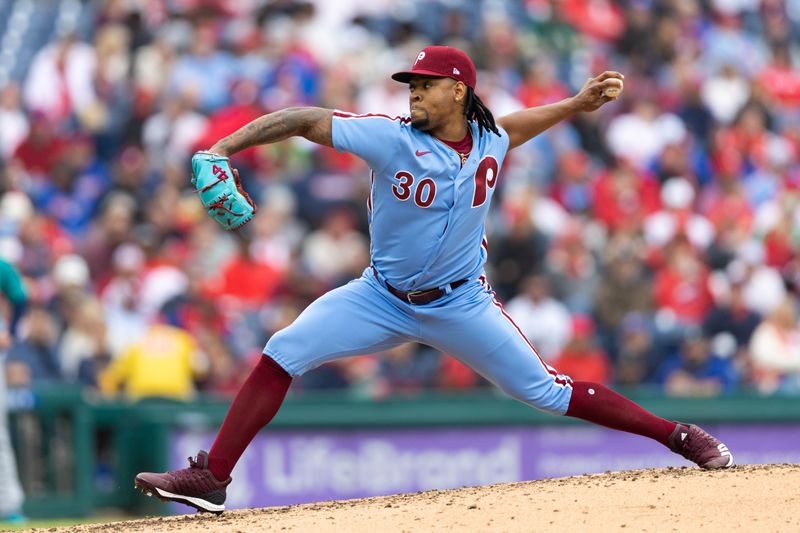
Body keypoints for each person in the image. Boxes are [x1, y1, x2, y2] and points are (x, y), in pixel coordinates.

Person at [135, 46, 734, 514]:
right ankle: (213, 476)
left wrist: (575, 105)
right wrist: (223, 147)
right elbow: (301, 119)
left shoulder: (491, 139)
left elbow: (517, 126)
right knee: (282, 350)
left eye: (424, 85)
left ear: (458, 90)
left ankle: (676, 436)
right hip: (380, 296)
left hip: (462, 302)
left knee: (546, 391)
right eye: (411, 85)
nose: (414, 93)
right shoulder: (390, 137)